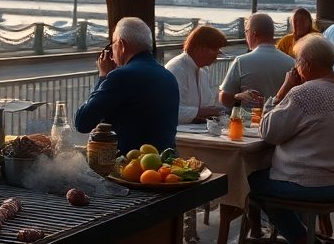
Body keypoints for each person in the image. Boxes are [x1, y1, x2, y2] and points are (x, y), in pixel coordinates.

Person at [249, 35, 334, 244]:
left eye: (297, 63)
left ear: (306, 64)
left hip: (312, 184)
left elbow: (269, 132)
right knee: (273, 185)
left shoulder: (303, 93)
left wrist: (283, 90)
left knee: (248, 182)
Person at [73, 16, 180, 154]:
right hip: (163, 163)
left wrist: (103, 77)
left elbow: (82, 122)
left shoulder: (121, 76)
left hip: (130, 166)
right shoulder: (168, 76)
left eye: (112, 45)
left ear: (122, 45)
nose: (111, 51)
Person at [219, 13, 294, 108]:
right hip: (280, 120)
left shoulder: (241, 62)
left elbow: (224, 98)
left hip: (250, 120)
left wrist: (237, 96)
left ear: (254, 34)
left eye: (246, 31)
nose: (246, 36)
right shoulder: (291, 62)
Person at [165, 25, 228, 124]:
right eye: (215, 50)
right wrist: (207, 112)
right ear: (200, 48)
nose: (216, 56)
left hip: (195, 130)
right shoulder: (177, 69)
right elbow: (170, 110)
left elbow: (207, 104)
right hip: (178, 132)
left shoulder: (203, 70)